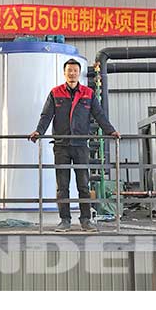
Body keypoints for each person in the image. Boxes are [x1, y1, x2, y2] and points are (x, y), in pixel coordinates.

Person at [29, 58, 120, 232]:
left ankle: (86, 220)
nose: (72, 73)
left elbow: (99, 115)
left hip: (81, 146)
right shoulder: (55, 93)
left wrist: (111, 131)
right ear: (64, 73)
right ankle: (65, 220)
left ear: (79, 73)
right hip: (61, 146)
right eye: (69, 70)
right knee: (62, 186)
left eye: (75, 71)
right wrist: (39, 132)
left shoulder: (88, 93)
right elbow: (46, 115)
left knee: (83, 185)